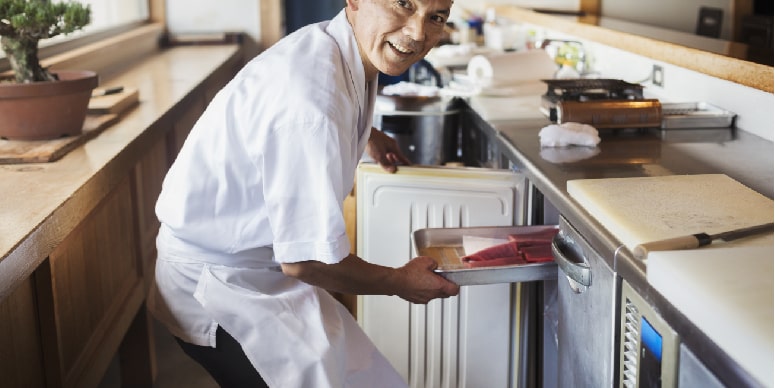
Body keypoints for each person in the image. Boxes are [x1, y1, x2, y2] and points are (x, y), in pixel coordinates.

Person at [147, 0, 458, 387]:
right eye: (403, 4)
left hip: (259, 268)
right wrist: (399, 281)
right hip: (219, 287)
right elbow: (306, 262)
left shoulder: (338, 48)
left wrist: (366, 135)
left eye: (436, 17)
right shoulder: (312, 103)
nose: (417, 32)